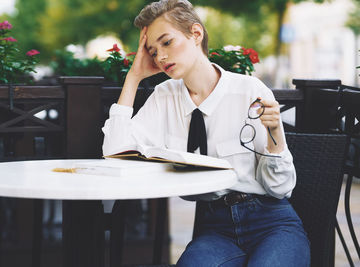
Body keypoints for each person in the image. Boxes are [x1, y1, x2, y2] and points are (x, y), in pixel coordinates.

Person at [102, 0, 310, 266]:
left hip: (272, 222)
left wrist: (274, 135)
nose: (161, 57)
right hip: (216, 228)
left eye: (167, 42)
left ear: (196, 34)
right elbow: (115, 153)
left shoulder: (249, 91)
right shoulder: (164, 98)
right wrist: (133, 78)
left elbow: (280, 187)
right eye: (153, 51)